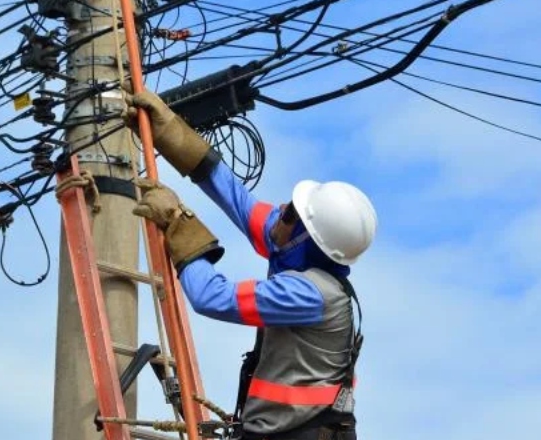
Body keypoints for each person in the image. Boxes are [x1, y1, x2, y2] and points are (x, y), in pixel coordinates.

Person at [123, 87, 377, 440]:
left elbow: (212, 297)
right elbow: (237, 198)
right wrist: (170, 132)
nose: (280, 212)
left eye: (291, 213)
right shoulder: (294, 249)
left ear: (307, 238)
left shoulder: (310, 294)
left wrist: (179, 223)